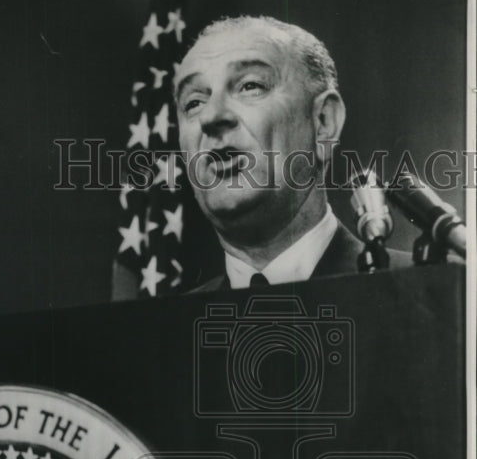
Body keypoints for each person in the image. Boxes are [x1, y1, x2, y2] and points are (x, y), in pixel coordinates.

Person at [174, 15, 411, 290]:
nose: (211, 116)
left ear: (323, 121)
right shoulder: (163, 330)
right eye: (193, 103)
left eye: (250, 86)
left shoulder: (433, 291)